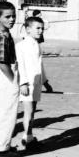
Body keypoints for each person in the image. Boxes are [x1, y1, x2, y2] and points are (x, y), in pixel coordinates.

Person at [0, 1, 21, 157]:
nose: (11, 19)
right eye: (7, 17)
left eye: (13, 16)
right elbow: (2, 63)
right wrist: (13, 81)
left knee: (4, 112)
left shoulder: (2, 33)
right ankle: (0, 148)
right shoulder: (2, 37)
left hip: (0, 76)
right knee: (6, 113)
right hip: (5, 76)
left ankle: (2, 144)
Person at [16, 16, 49, 150]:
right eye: (37, 28)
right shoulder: (21, 45)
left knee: (33, 111)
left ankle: (29, 137)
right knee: (28, 111)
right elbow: (20, 65)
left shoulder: (37, 45)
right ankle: (27, 137)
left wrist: (46, 82)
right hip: (27, 84)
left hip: (36, 83)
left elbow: (40, 65)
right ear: (28, 29)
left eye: (42, 28)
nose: (40, 31)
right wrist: (23, 83)